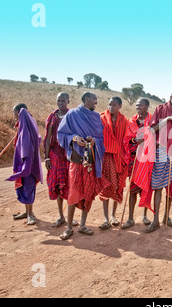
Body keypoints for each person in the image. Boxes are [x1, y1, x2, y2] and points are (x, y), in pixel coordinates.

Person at [57, 92, 110, 240]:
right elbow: (61, 134)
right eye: (94, 100)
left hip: (91, 160)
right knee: (73, 192)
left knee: (88, 194)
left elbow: (100, 138)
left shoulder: (96, 117)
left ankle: (82, 225)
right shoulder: (72, 114)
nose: (96, 103)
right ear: (86, 100)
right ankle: (68, 228)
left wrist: (94, 141)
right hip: (77, 160)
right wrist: (74, 138)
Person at [143, 90, 172, 233]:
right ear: (170, 97)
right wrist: (167, 120)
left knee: (171, 185)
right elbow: (151, 129)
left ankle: (166, 217)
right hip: (160, 151)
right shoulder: (161, 109)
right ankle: (155, 220)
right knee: (158, 186)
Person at [44, 93, 76, 228]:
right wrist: (46, 157)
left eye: (63, 100)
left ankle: (70, 217)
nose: (61, 103)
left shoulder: (72, 116)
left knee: (70, 185)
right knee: (57, 184)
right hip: (56, 153)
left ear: (68, 101)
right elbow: (47, 138)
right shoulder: (52, 117)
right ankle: (61, 216)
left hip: (68, 153)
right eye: (58, 100)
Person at [7, 103, 43, 226]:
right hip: (21, 162)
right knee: (22, 186)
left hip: (28, 162)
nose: (14, 116)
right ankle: (26, 211)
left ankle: (31, 214)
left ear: (19, 112)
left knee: (28, 186)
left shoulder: (26, 118)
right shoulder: (24, 126)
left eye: (14, 113)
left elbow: (35, 139)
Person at [121, 98, 153, 229]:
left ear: (147, 106)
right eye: (136, 105)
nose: (137, 107)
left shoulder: (152, 120)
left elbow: (157, 136)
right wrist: (135, 140)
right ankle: (130, 218)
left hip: (148, 159)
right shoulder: (132, 121)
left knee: (146, 187)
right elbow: (127, 139)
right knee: (133, 189)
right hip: (134, 159)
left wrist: (146, 141)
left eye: (140, 105)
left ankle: (145, 216)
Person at [98, 96, 129, 230]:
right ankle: (105, 218)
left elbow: (127, 139)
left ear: (120, 106)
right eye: (109, 104)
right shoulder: (101, 118)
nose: (111, 107)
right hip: (105, 157)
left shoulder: (125, 121)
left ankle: (113, 215)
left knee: (117, 187)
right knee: (105, 186)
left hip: (119, 158)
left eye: (114, 105)